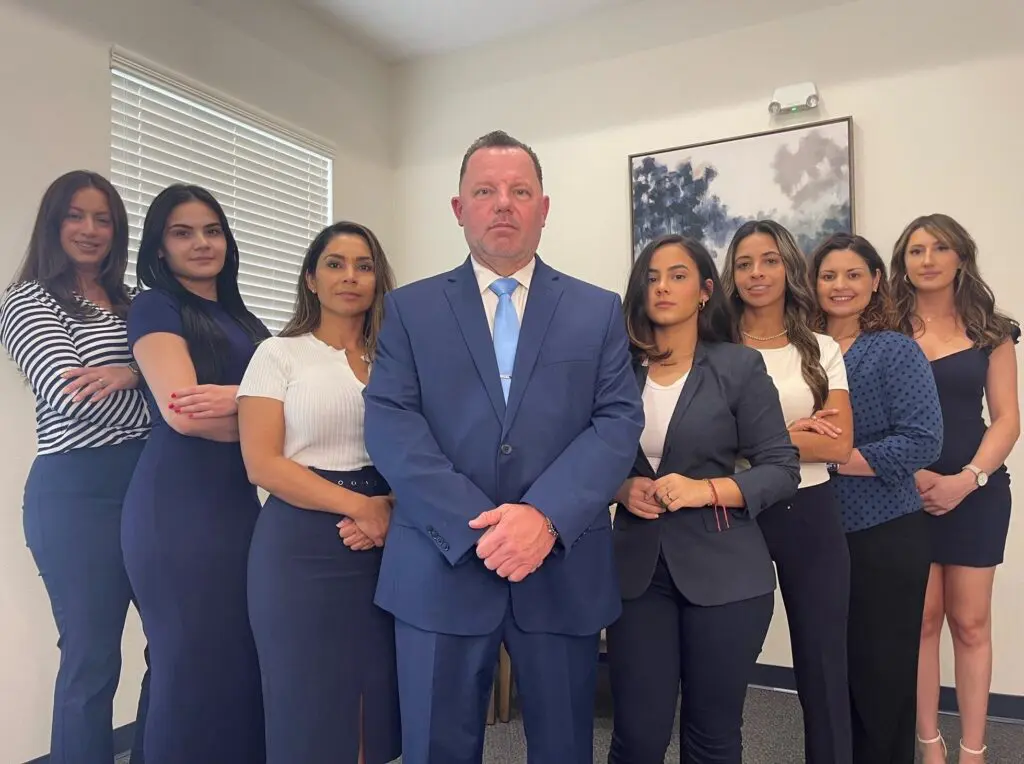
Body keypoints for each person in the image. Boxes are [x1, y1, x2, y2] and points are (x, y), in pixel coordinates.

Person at [362, 130, 644, 764]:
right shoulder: (407, 310)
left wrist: (544, 517)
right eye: (485, 191)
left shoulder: (597, 310)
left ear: (544, 207)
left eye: (520, 191)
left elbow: (617, 421)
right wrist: (481, 527)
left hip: (560, 566)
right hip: (441, 563)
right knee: (436, 748)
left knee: (564, 748)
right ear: (459, 208)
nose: (503, 204)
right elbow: (391, 423)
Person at [607, 234, 800, 764]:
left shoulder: (738, 367)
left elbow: (781, 469)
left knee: (711, 738)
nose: (662, 287)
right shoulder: (615, 370)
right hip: (637, 574)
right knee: (637, 737)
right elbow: (585, 456)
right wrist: (620, 488)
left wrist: (704, 490)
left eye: (677, 276)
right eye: (652, 277)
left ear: (705, 291)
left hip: (726, 573)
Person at [0, 170, 151, 764]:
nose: (90, 229)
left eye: (103, 219)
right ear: (53, 223)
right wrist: (161, 400)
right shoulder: (29, 299)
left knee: (174, 645)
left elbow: (190, 380)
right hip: (77, 491)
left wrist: (131, 374)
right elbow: (72, 397)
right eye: (75, 215)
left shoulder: (136, 303)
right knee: (92, 657)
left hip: (150, 484)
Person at [238, 221, 401, 764]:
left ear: (378, 280)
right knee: (306, 703)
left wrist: (389, 510)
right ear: (311, 279)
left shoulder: (397, 362)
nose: (350, 276)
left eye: (363, 266)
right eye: (335, 264)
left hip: (386, 542)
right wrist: (361, 507)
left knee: (376, 703)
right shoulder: (277, 354)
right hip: (300, 547)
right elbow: (262, 463)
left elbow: (425, 450)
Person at [121, 184, 270, 764]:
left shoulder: (243, 319)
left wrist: (238, 402)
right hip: (177, 513)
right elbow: (184, 414)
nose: (202, 243)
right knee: (188, 668)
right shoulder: (156, 306)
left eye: (212, 230)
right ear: (160, 247)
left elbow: (287, 415)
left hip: (237, 509)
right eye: (182, 233)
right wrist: (260, 413)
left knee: (235, 663)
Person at [720, 220, 854, 764]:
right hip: (737, 510)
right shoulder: (715, 349)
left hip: (810, 509)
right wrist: (791, 434)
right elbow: (704, 441)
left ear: (788, 268)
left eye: (769, 260)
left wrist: (755, 437)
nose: (757, 273)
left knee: (824, 665)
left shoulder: (821, 348)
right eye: (744, 263)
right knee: (723, 662)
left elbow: (839, 444)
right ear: (731, 275)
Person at [890, 214, 1020, 764]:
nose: (928, 259)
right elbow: (872, 416)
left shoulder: (992, 331)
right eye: (916, 250)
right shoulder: (884, 330)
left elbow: (1007, 420)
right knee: (920, 621)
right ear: (903, 263)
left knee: (970, 623)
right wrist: (911, 474)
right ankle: (929, 743)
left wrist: (967, 480)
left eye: (940, 248)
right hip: (905, 494)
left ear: (961, 258)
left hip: (977, 493)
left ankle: (973, 749)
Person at [812, 232, 943, 763]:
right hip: (816, 533)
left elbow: (923, 440)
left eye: (852, 274)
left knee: (881, 682)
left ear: (875, 281)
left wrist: (832, 456)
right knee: (828, 679)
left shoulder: (894, 349)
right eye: (828, 276)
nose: (839, 285)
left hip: (884, 535)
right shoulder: (804, 353)